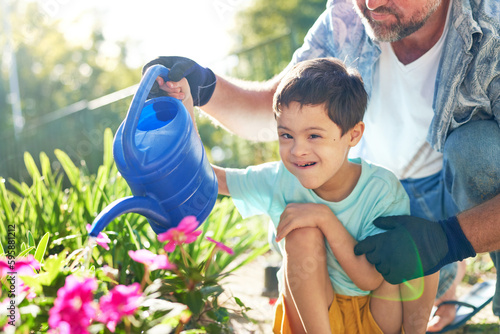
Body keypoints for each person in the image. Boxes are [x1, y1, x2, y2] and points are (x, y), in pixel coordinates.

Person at [143, 0, 500, 330]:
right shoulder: (348, 18)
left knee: (478, 150)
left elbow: (373, 278)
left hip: (446, 204)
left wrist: (447, 239)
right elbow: (281, 109)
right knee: (306, 235)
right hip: (352, 194)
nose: (372, 4)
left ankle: (452, 269)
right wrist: (203, 87)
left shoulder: (492, 28)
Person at [178, 57, 440, 333]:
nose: (297, 150)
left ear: (353, 135)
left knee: (421, 245)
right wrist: (185, 101)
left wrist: (324, 218)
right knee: (302, 234)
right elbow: (208, 176)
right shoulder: (279, 178)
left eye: (313, 136)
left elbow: (370, 279)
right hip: (314, 319)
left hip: (377, 317)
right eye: (286, 135)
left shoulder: (381, 190)